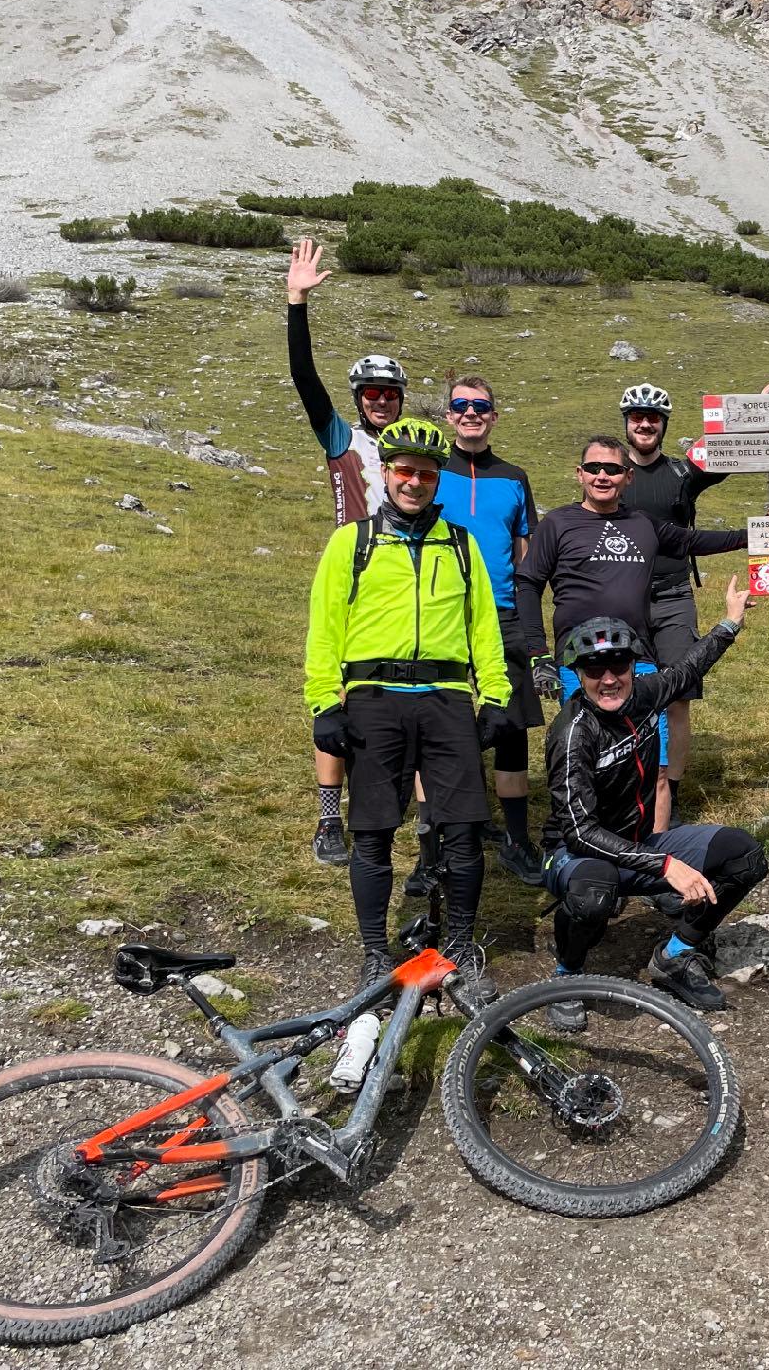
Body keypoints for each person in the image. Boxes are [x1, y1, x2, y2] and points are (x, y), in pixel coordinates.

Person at [304, 417, 516, 997]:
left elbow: (484, 628)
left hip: (447, 698)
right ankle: (376, 954)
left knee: (463, 831)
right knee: (373, 833)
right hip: (373, 698)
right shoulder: (352, 543)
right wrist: (325, 703)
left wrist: (495, 696)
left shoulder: (461, 545)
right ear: (386, 472)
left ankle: (459, 948)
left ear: (437, 480)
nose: (414, 482)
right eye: (404, 471)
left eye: (426, 474)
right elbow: (324, 629)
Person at [540, 580, 769, 1027]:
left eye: (618, 665)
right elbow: (580, 832)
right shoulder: (572, 735)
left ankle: (675, 956)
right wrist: (665, 865)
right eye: (594, 668)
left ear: (632, 666)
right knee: (594, 893)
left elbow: (687, 669)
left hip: (641, 843)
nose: (609, 679)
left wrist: (730, 623)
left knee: (744, 855)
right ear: (578, 674)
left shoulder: (644, 694)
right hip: (574, 854)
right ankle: (566, 976)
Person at [286, 236, 407, 867]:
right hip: (352, 570)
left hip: (407, 577)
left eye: (389, 393)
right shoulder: (341, 437)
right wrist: (297, 303)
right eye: (371, 393)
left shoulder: (417, 448)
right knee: (334, 689)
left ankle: (409, 805)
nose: (380, 400)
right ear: (358, 398)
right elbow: (304, 379)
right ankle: (329, 817)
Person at [414, 373, 547, 886]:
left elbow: (524, 552)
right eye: (461, 405)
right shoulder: (432, 470)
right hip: (442, 611)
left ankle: (515, 839)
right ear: (449, 415)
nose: (471, 413)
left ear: (494, 415)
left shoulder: (514, 477)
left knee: (510, 725)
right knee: (435, 721)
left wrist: (526, 616)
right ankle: (432, 848)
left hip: (503, 613)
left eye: (481, 406)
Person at [516, 433, 747, 708]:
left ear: (629, 477)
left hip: (637, 659)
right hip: (578, 661)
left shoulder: (642, 523)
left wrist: (756, 535)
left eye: (612, 469)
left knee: (647, 734)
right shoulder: (557, 523)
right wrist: (538, 654)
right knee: (584, 734)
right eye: (593, 468)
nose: (602, 476)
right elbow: (528, 585)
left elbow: (693, 541)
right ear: (580, 474)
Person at [614, 382, 732, 828]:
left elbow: (728, 450)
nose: (645, 424)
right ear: (626, 423)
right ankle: (628, 785)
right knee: (622, 692)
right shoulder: (612, 473)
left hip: (674, 595)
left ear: (664, 424)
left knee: (678, 697)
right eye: (637, 417)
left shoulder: (683, 472)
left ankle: (672, 794)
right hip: (623, 596)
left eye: (653, 418)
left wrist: (758, 405)